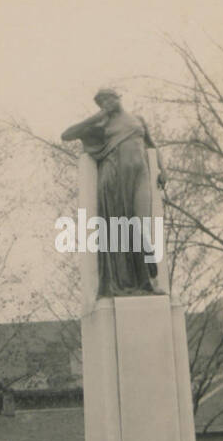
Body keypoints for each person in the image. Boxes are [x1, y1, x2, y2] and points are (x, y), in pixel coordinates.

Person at [60, 87, 166, 297]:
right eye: (101, 102)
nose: (106, 103)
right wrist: (96, 117)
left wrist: (164, 169)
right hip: (115, 178)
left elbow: (152, 146)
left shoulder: (138, 119)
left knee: (141, 224)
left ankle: (149, 276)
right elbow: (67, 135)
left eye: (108, 98)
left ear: (118, 97)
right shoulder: (102, 124)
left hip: (140, 175)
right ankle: (144, 282)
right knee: (122, 229)